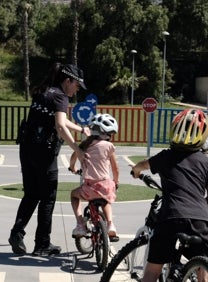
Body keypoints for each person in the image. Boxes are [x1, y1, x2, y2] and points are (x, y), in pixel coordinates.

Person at [8, 63, 90, 256]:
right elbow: (60, 126)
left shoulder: (44, 91)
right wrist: (77, 149)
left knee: (31, 194)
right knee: (48, 198)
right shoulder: (60, 96)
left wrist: (79, 129)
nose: (77, 89)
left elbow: (58, 120)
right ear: (67, 80)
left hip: (27, 150)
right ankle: (42, 244)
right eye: (76, 85)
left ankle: (16, 233)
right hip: (44, 153)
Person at [131, 108, 208, 282]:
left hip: (171, 216)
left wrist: (135, 170)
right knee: (203, 269)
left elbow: (143, 165)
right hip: (201, 221)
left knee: (151, 273)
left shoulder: (165, 156)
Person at [69, 113, 119, 239]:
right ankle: (110, 224)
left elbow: (73, 157)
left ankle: (80, 224)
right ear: (107, 134)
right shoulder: (109, 146)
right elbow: (115, 168)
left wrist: (73, 167)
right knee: (106, 201)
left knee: (74, 195)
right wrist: (116, 182)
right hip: (105, 186)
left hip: (89, 189)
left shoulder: (85, 145)